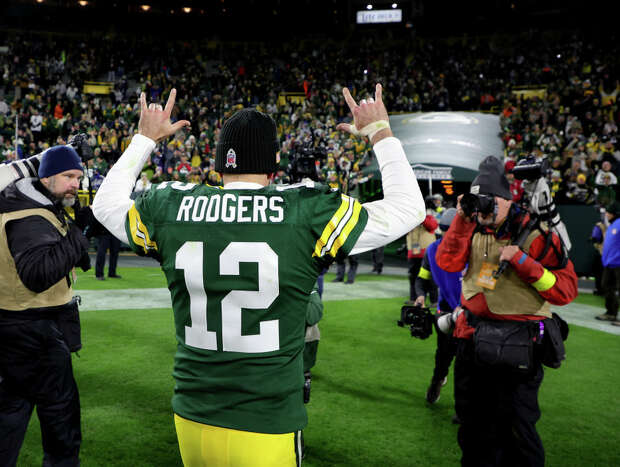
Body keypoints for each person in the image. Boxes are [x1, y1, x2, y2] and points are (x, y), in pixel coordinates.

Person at [92, 85, 425, 466]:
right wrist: (379, 132)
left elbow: (105, 205)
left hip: (192, 417)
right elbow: (408, 208)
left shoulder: (171, 204)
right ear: (275, 162)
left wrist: (144, 139)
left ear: (219, 162)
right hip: (265, 422)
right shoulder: (305, 209)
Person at [436, 156, 578, 467]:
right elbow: (447, 263)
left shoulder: (536, 232)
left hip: (518, 347)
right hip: (472, 342)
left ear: (505, 199)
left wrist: (525, 264)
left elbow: (566, 291)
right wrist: (462, 218)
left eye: (489, 202)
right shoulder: (472, 226)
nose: (483, 210)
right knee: (473, 429)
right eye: (478, 202)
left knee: (517, 433)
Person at [0, 145, 91, 467]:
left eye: (79, 177)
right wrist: (81, 233)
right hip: (28, 324)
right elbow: (38, 275)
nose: (75, 184)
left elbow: (75, 260)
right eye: (68, 176)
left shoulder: (28, 203)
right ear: (46, 176)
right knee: (60, 412)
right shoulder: (31, 217)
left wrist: (77, 233)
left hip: (9, 319)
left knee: (14, 406)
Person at [414, 208, 461, 414]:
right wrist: (421, 295)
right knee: (445, 355)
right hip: (448, 312)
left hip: (466, 313)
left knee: (461, 359)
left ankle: (462, 405)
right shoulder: (433, 251)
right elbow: (421, 279)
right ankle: (437, 380)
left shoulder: (434, 249)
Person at [595, 201, 620, 324]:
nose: (607, 215)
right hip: (609, 263)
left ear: (615, 213)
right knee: (606, 286)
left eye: (609, 213)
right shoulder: (612, 225)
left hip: (618, 263)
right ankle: (611, 313)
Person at [406, 214, 438, 303]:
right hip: (413, 252)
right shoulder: (409, 218)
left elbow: (432, 226)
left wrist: (421, 217)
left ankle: (434, 300)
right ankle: (414, 298)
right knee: (413, 277)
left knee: (430, 278)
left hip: (427, 253)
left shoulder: (429, 216)